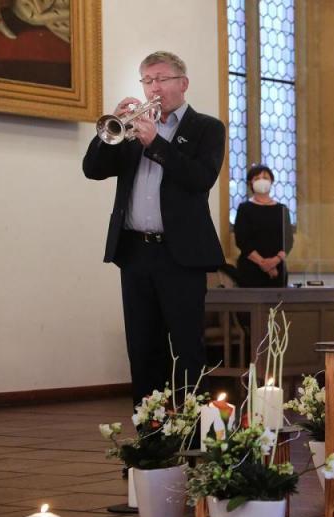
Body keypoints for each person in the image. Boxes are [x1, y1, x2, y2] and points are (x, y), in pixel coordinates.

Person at [82, 51, 226, 403]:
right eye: (147, 80)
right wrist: (111, 129)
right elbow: (93, 170)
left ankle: (191, 428)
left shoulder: (207, 128)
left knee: (186, 347)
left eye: (161, 79)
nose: (153, 88)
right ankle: (149, 429)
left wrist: (156, 144)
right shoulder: (133, 127)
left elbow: (200, 178)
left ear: (183, 83)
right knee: (143, 347)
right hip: (135, 252)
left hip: (180, 255)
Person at [234, 164, 293, 287]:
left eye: (265, 178)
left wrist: (274, 262)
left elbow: (288, 240)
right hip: (250, 269)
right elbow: (241, 240)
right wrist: (263, 263)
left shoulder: (282, 209)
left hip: (277, 269)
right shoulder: (244, 208)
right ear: (250, 183)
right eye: (257, 178)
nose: (262, 181)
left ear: (271, 181)